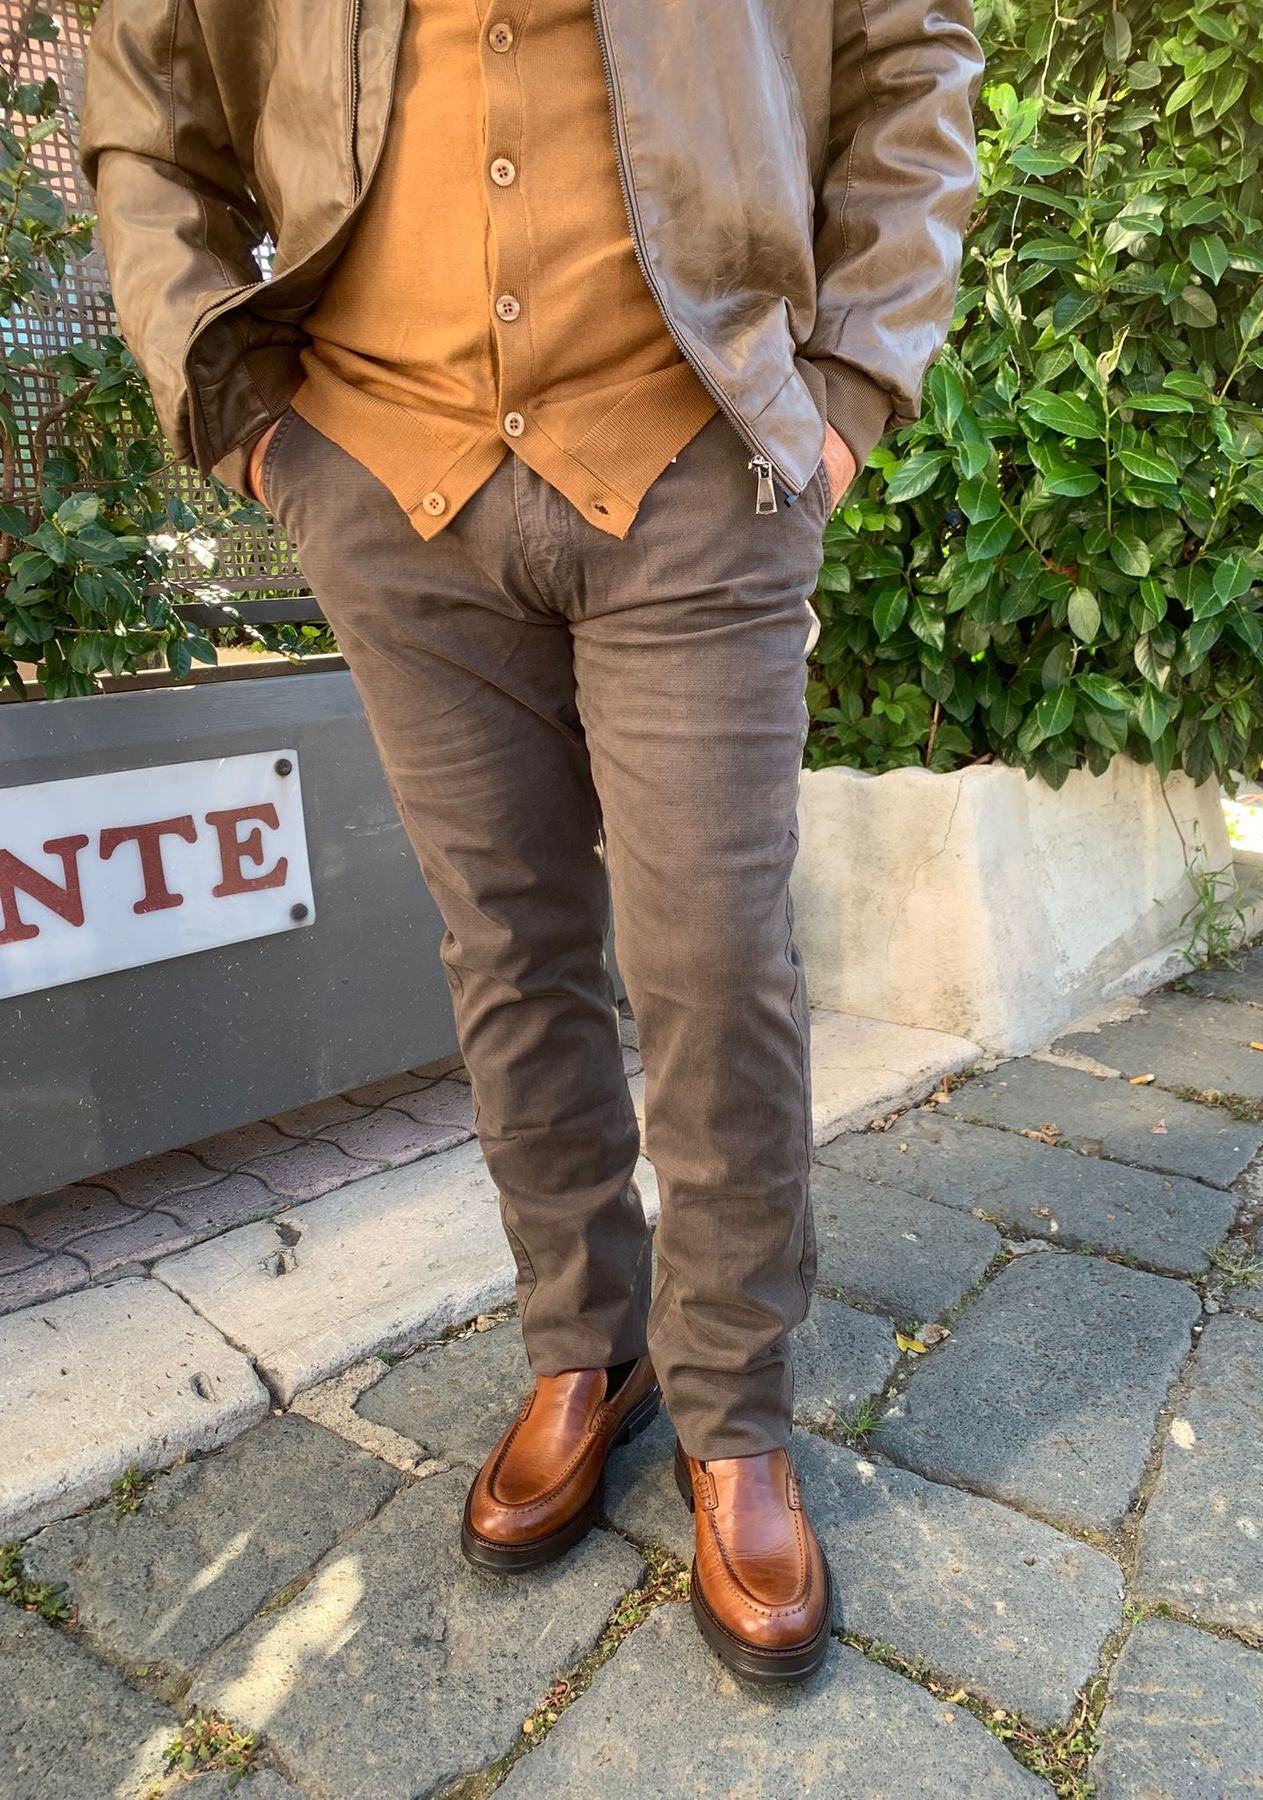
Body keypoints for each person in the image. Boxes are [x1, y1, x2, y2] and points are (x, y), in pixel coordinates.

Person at [80, 0, 982, 1684]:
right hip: (381, 464)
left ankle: (732, 1411)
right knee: (505, 945)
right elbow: (148, 108)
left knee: (713, 957)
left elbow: (910, 61)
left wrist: (851, 384)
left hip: (697, 455)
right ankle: (585, 1343)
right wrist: (251, 417)